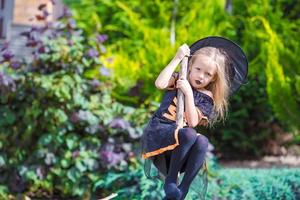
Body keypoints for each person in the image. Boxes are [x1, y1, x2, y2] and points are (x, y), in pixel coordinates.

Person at [140, 36, 248, 200]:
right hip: (160, 136)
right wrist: (177, 58)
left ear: (213, 78)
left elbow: (192, 122)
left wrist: (189, 94)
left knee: (202, 140)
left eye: (208, 74)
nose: (201, 76)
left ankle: (182, 190)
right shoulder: (179, 78)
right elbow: (160, 84)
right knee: (190, 134)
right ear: (190, 66)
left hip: (180, 150)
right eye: (198, 69)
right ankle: (171, 180)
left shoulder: (207, 97)